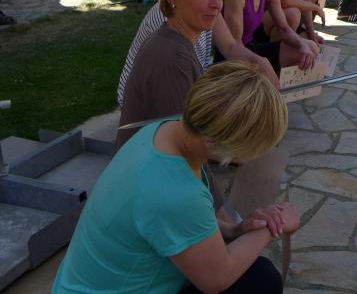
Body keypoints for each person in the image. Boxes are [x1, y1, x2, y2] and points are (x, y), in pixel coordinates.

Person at [55, 60, 298, 294]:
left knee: (256, 273)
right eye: (253, 148)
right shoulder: (177, 191)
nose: (257, 155)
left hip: (82, 285)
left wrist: (236, 230)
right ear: (213, 141)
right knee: (262, 281)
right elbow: (217, 279)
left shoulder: (165, 131)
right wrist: (272, 227)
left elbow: (183, 223)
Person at [117, 0, 278, 109]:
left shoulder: (196, 13)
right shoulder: (170, 45)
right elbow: (181, 115)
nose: (217, 4)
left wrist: (259, 61)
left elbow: (230, 46)